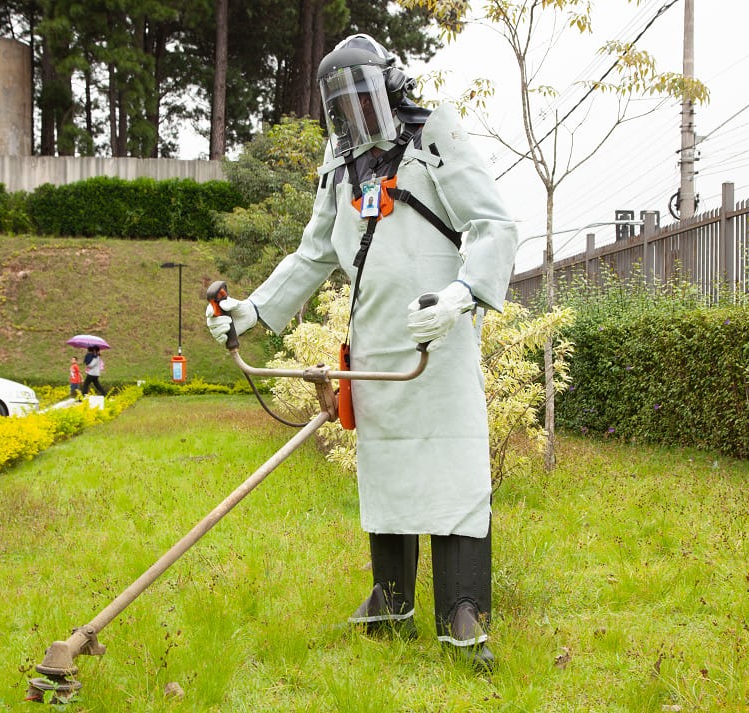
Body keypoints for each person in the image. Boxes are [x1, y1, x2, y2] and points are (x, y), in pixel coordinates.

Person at [205, 33, 517, 670]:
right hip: (375, 344)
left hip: (440, 340)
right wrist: (254, 311)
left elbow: (493, 226)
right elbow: (314, 253)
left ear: (391, 87)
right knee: (386, 471)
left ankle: (461, 610)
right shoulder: (338, 168)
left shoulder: (438, 139)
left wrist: (461, 295)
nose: (352, 113)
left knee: (454, 468)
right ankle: (391, 598)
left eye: (361, 95)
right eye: (338, 103)